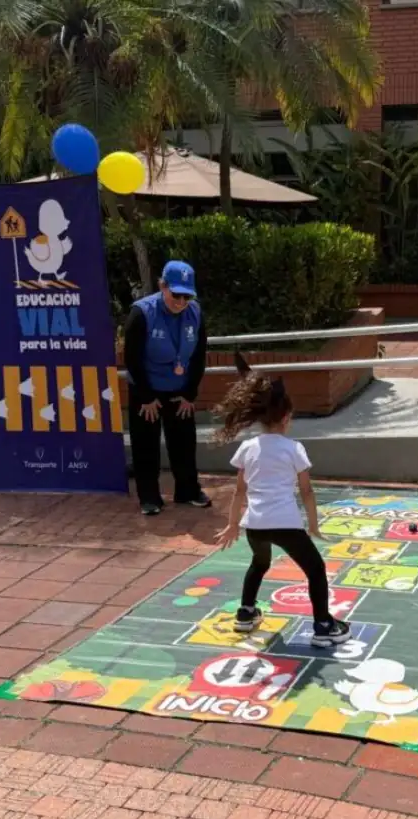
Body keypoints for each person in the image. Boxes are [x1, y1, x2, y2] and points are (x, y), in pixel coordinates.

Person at [214, 354, 352, 648]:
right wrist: (313, 525)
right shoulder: (293, 448)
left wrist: (233, 524)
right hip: (286, 524)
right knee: (315, 570)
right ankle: (323, 626)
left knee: (259, 562)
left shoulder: (248, 448)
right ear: (287, 417)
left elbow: (239, 491)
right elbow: (307, 492)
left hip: (255, 525)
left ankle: (245, 613)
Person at [124, 260, 211, 515]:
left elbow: (199, 355)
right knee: (146, 446)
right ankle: (149, 497)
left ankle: (188, 491)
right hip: (146, 389)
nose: (181, 302)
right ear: (163, 286)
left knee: (184, 444)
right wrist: (145, 396)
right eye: (176, 295)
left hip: (179, 390)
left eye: (187, 296)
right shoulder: (141, 313)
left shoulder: (195, 313)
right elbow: (132, 358)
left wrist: (190, 393)